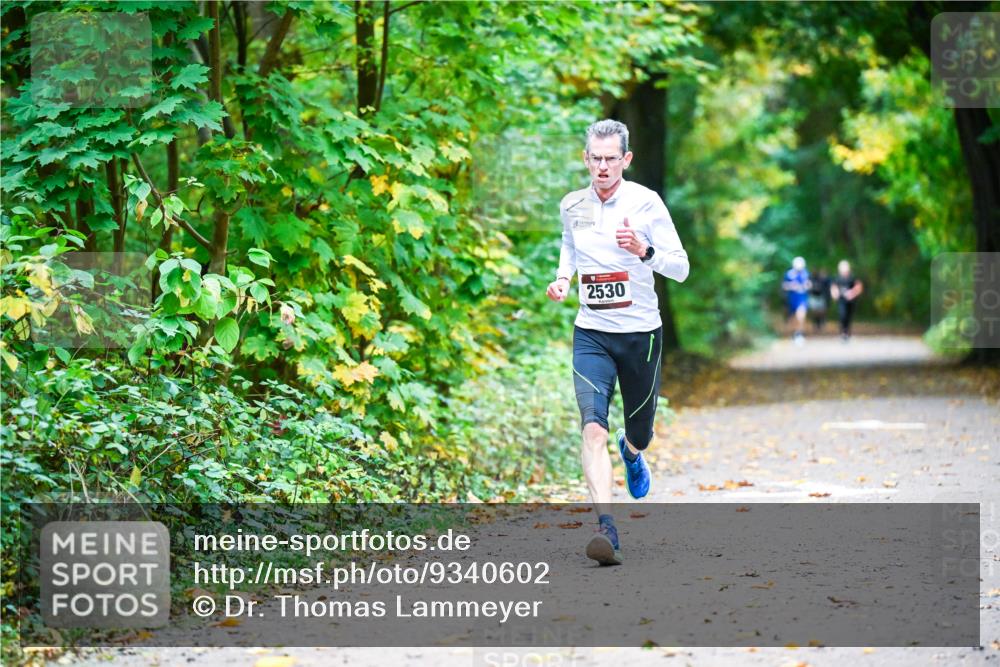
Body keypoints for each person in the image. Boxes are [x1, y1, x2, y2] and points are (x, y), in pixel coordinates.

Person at [545, 119, 689, 566]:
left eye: (611, 158)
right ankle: (606, 527)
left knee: (640, 431)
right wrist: (563, 277)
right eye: (595, 158)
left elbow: (680, 268)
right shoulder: (573, 205)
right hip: (592, 333)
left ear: (626, 159)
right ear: (585, 158)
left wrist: (643, 252)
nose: (602, 167)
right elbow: (570, 246)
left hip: (640, 334)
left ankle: (632, 451)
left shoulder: (646, 203)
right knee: (591, 427)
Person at [831, 259, 863, 340]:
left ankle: (848, 332)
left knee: (849, 316)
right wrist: (835, 294)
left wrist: (852, 293)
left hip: (851, 301)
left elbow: (858, 286)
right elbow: (833, 287)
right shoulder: (837, 278)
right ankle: (843, 332)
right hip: (841, 300)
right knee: (842, 315)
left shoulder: (852, 277)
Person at [781, 256, 811, 345]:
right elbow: (784, 285)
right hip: (792, 299)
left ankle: (799, 333)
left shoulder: (805, 273)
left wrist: (806, 286)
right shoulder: (789, 274)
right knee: (793, 318)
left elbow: (809, 284)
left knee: (801, 315)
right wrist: (791, 286)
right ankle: (795, 333)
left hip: (802, 298)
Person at [807, 268, 831, 333]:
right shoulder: (810, 278)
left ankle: (821, 323)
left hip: (820, 296)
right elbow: (808, 286)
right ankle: (816, 324)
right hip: (813, 296)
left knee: (821, 311)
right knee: (815, 312)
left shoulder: (821, 279)